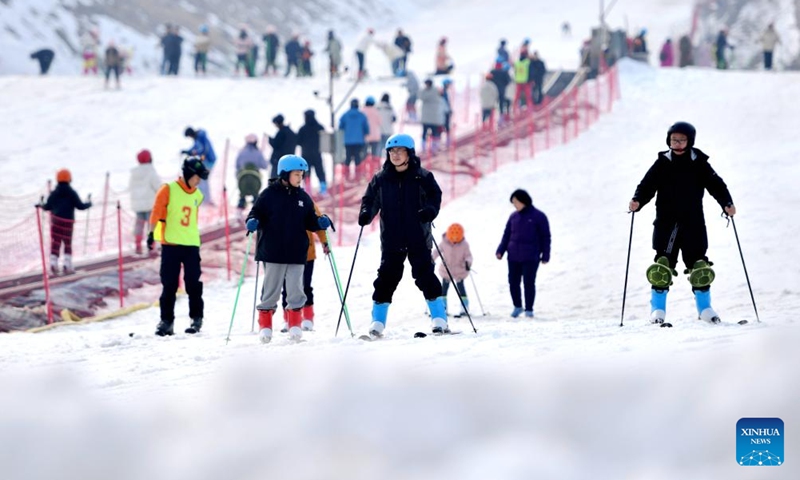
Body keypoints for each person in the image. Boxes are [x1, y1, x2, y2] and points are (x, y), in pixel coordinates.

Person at [629, 122, 735, 325]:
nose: (677, 144)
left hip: (693, 222)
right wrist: (637, 201)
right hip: (666, 223)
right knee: (662, 267)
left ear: (690, 141)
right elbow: (647, 185)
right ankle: (657, 310)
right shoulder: (662, 163)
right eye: (673, 140)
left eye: (681, 140)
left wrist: (727, 203)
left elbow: (716, 184)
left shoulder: (698, 162)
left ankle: (705, 309)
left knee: (700, 268)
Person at [358, 133, 447, 337]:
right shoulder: (381, 179)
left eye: (399, 151)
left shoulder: (422, 176)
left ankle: (439, 318)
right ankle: (377, 322)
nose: (395, 155)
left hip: (417, 235)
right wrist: (366, 214)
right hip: (392, 238)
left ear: (409, 153)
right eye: (391, 151)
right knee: (386, 278)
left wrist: (430, 211)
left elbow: (435, 196)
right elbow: (370, 200)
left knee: (425, 275)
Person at [245, 155, 332, 343]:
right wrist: (253, 221)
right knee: (271, 290)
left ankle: (294, 324)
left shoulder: (303, 197)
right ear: (285, 174)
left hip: (296, 253)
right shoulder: (269, 195)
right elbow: (256, 212)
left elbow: (310, 219)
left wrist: (319, 221)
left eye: (302, 175)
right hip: (273, 252)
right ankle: (265, 326)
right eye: (297, 174)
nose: (300, 178)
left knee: (295, 290)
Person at [148, 157, 208, 336]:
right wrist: (151, 234)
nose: (198, 181)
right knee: (169, 285)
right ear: (188, 174)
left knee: (193, 284)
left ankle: (196, 318)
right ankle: (166, 321)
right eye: (197, 177)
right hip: (171, 245)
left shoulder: (197, 195)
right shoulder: (168, 190)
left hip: (191, 245)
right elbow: (156, 213)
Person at [496, 189, 551, 318]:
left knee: (528, 282)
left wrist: (546, 255)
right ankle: (517, 306)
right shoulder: (513, 217)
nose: (514, 205)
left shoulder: (539, 216)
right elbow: (507, 235)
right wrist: (500, 250)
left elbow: (545, 237)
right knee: (513, 282)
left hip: (531, 256)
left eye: (515, 202)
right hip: (513, 256)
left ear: (523, 201)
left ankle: (529, 309)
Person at [279, 201, 330, 332]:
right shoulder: (278, 200)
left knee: (306, 285)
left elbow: (318, 223)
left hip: (307, 253)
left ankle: (307, 318)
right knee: (287, 288)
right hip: (286, 254)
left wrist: (324, 241)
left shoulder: (306, 200)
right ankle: (288, 318)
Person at [42, 169, 92, 275]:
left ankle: (53, 263)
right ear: (69, 178)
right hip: (68, 223)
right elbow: (80, 206)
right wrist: (89, 203)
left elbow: (47, 207)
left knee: (56, 242)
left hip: (55, 222)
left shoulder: (54, 193)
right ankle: (67, 265)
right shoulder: (72, 193)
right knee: (67, 243)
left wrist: (41, 204)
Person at [432, 223, 473, 317]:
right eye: (453, 239)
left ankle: (464, 308)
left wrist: (468, 262)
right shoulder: (444, 243)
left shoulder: (464, 245)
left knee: (461, 289)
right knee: (443, 290)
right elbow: (436, 251)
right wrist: (431, 259)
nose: (454, 241)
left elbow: (468, 256)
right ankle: (443, 308)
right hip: (446, 270)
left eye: (457, 239)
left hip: (459, 270)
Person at [129, 149, 162, 255]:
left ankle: (138, 245)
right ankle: (151, 247)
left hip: (137, 205)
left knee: (139, 225)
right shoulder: (151, 171)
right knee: (151, 226)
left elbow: (131, 187)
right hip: (150, 204)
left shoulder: (134, 173)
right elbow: (158, 186)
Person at [182, 126, 217, 203]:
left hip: (209, 160)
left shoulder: (201, 137)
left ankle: (206, 200)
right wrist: (187, 151)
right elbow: (195, 148)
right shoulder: (197, 138)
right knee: (201, 179)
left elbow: (203, 149)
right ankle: (204, 199)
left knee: (202, 178)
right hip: (206, 161)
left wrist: (192, 153)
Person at [296, 110, 327, 195]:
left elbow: (298, 141)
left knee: (306, 173)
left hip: (306, 155)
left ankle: (308, 191)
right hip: (317, 153)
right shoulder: (320, 127)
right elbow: (325, 140)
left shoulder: (302, 129)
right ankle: (323, 190)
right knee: (320, 171)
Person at [235, 134, 268, 213]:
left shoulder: (241, 152)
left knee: (242, 196)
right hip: (255, 182)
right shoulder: (258, 153)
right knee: (256, 197)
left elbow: (237, 165)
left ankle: (240, 208)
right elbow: (264, 166)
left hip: (242, 181)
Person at [338, 98, 369, 181]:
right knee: (358, 158)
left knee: (348, 158)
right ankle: (357, 177)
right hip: (359, 141)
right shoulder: (362, 115)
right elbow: (366, 129)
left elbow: (340, 127)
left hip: (347, 141)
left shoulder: (345, 115)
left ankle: (346, 176)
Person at [418, 78, 444, 153]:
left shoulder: (424, 92)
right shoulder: (436, 90)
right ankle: (434, 148)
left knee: (425, 133)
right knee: (434, 133)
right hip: (434, 117)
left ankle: (424, 148)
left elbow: (420, 96)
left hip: (426, 118)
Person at [268, 114, 297, 179]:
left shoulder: (281, 133)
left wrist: (270, 140)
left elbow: (276, 145)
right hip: (289, 159)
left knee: (275, 179)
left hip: (278, 160)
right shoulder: (291, 132)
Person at [362, 96, 383, 168]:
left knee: (364, 154)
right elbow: (380, 122)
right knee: (375, 155)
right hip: (375, 136)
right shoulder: (376, 111)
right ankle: (374, 169)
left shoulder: (362, 111)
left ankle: (364, 170)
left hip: (365, 136)